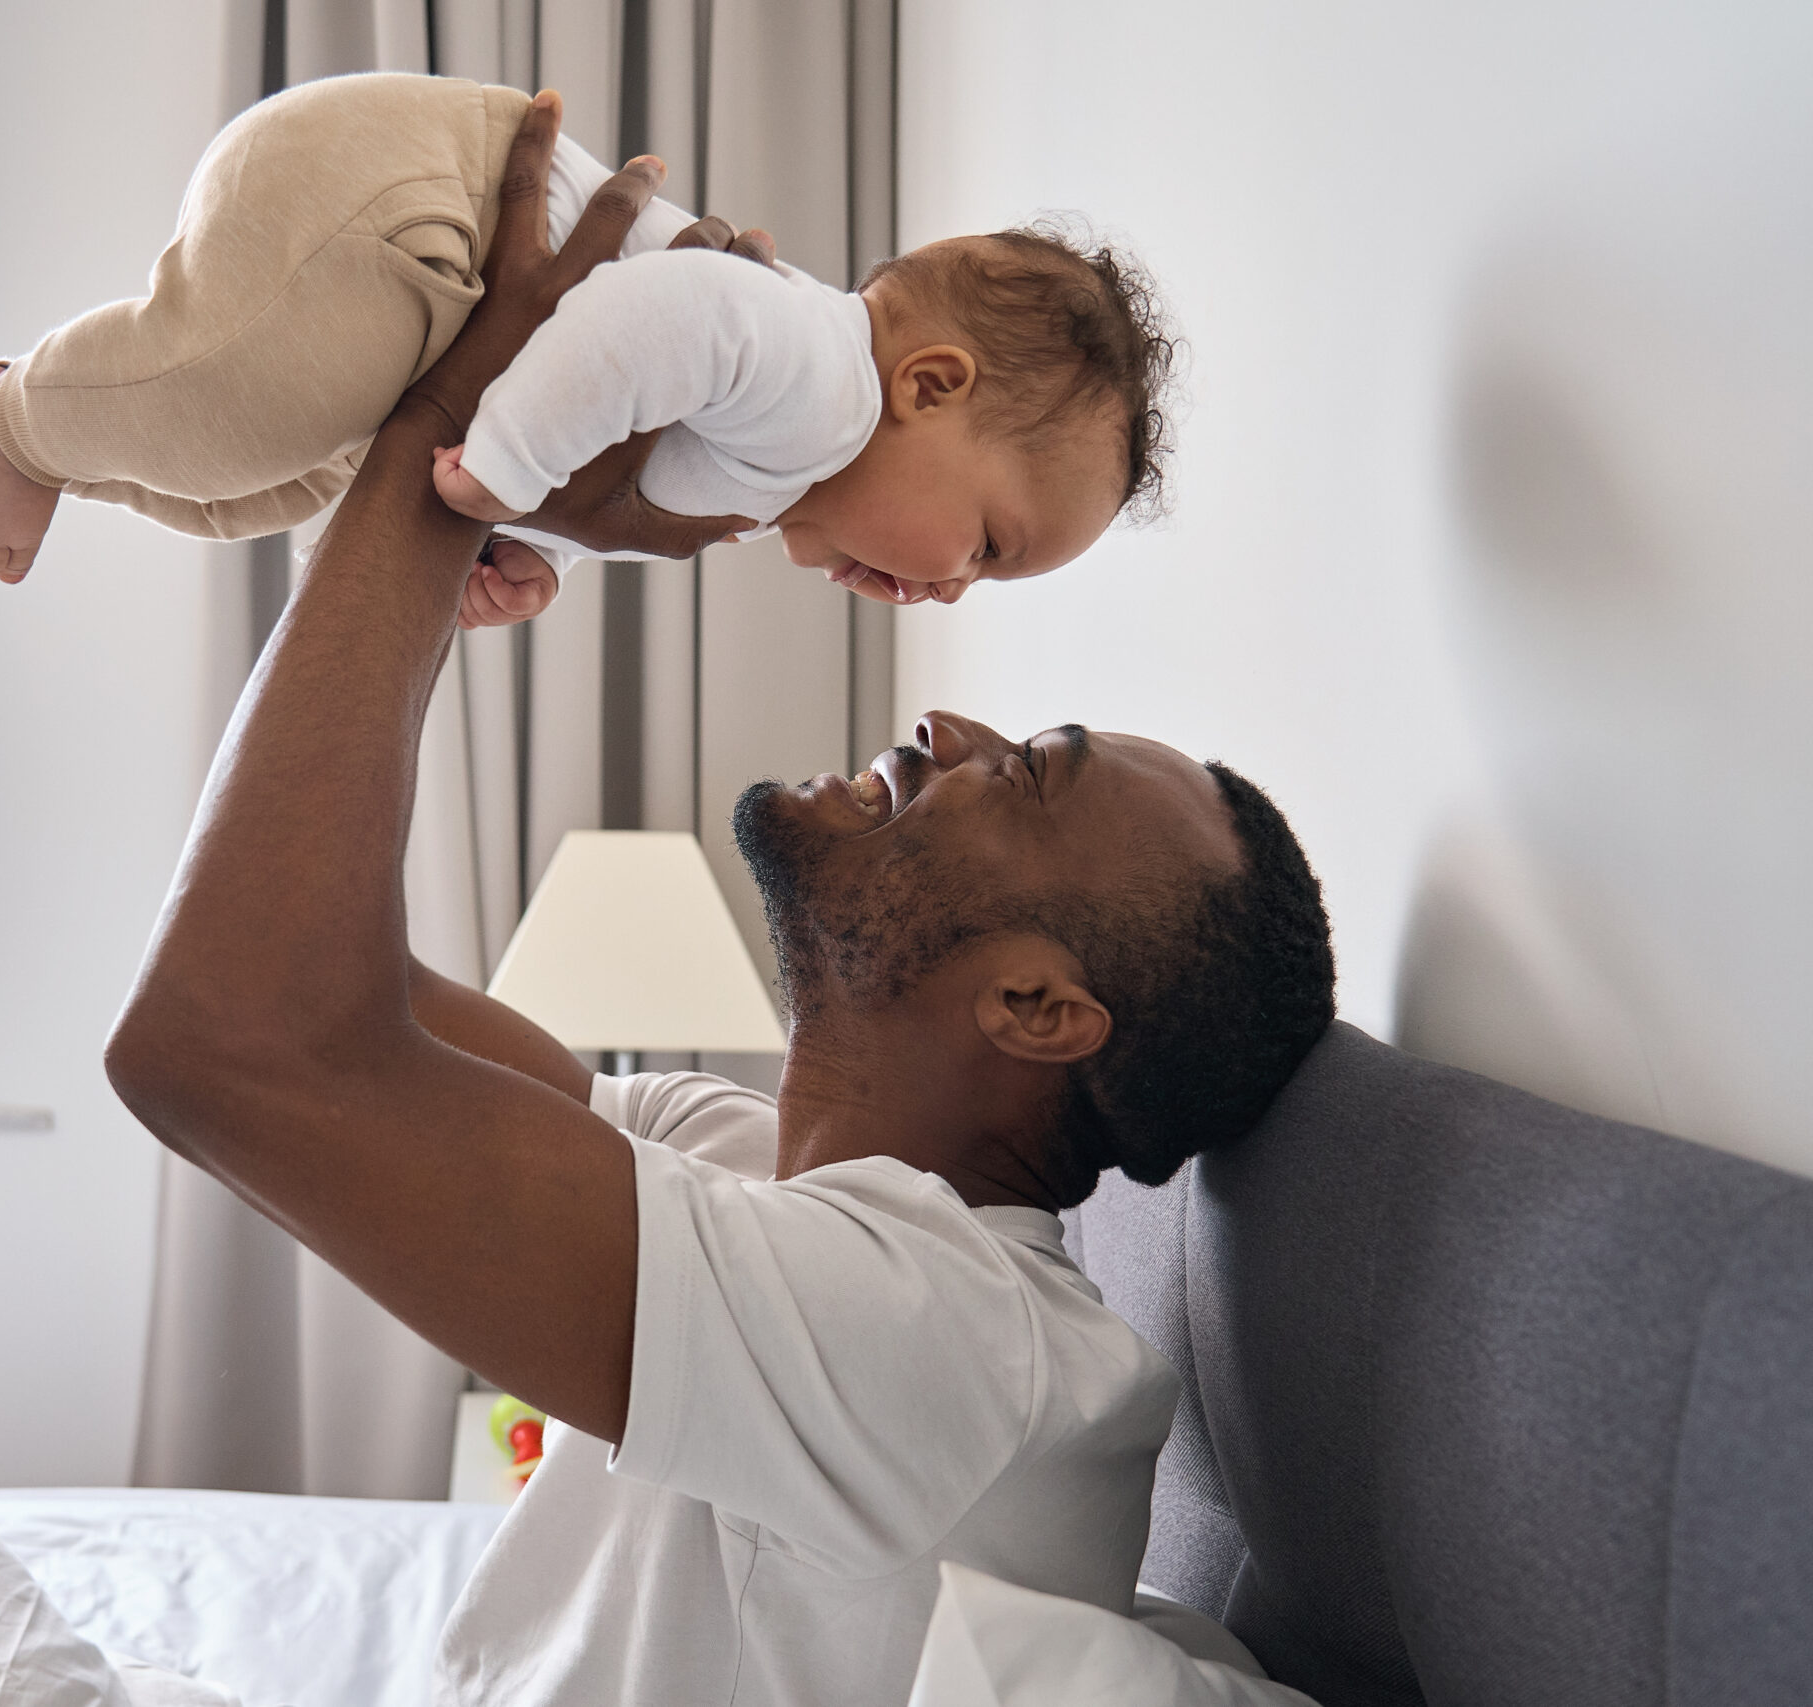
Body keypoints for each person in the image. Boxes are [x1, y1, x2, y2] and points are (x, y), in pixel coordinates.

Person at [104, 99, 1334, 1707]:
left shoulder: (953, 1337)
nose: (953, 722)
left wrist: (453, 449)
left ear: (1038, 1008)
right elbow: (310, 981)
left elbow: (228, 1033)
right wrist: (519, 498)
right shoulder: (761, 1165)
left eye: (1025, 772)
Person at [0, 73, 1173, 628]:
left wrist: (525, 552)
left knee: (256, 486)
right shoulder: (824, 383)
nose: (951, 590)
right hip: (419, 204)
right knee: (224, 407)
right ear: (932, 384)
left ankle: (44, 451)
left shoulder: (785, 458)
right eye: (990, 546)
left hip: (415, 283)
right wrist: (511, 469)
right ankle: (21, 424)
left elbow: (625, 442)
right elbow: (648, 325)